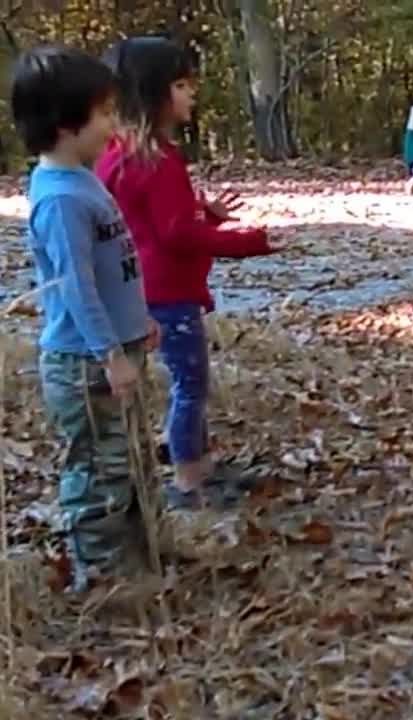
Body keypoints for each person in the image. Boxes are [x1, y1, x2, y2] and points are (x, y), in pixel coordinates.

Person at [96, 35, 277, 510]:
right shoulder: (158, 161)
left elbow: (155, 225)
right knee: (190, 382)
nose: (191, 94)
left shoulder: (118, 155)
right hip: (166, 292)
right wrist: (248, 242)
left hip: (143, 287)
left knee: (188, 379)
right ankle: (189, 479)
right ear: (153, 92)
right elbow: (176, 236)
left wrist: (209, 216)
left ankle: (199, 463)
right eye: (180, 84)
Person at [11, 45, 160, 593]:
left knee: (130, 460)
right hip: (86, 363)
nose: (112, 124)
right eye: (102, 113)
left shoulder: (83, 179)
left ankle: (139, 556)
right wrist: (109, 353)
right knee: (99, 470)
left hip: (117, 350)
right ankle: (99, 578)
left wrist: (137, 322)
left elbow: (113, 266)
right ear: (64, 122)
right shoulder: (60, 200)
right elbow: (76, 287)